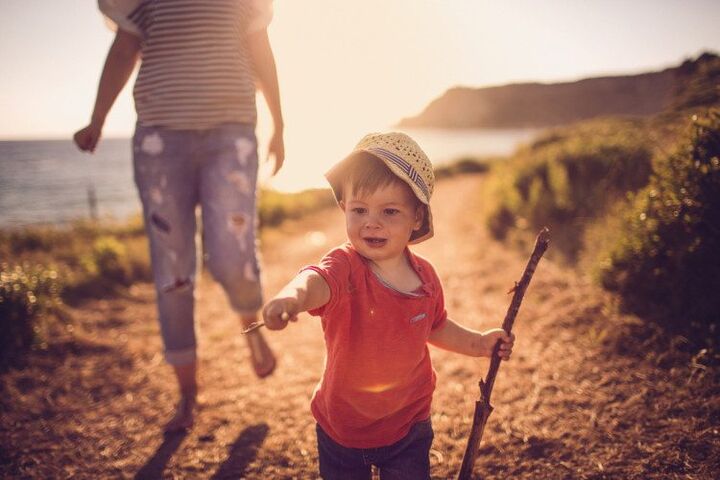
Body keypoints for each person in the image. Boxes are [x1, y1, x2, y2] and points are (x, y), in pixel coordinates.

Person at [74, 0, 284, 433]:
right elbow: (122, 52)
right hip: (160, 142)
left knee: (232, 254)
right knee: (173, 270)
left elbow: (262, 53)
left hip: (232, 136)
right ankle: (187, 395)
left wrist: (280, 125)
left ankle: (250, 325)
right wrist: (97, 118)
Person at [262, 132, 515, 479]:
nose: (372, 222)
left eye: (390, 211)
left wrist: (479, 343)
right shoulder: (344, 266)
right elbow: (314, 280)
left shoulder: (425, 277)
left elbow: (436, 326)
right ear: (344, 209)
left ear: (416, 217)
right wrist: (292, 297)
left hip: (409, 426)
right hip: (343, 430)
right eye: (360, 209)